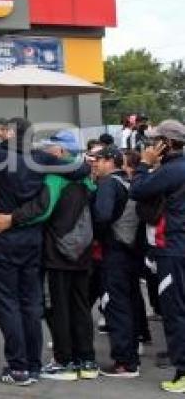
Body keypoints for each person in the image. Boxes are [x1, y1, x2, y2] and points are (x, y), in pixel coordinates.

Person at [0, 118, 90, 386]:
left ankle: (18, 367)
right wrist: (56, 162)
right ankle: (32, 363)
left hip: (4, 237)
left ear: (8, 133)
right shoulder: (41, 159)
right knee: (31, 303)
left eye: (3, 129)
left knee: (7, 303)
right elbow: (82, 169)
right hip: (33, 238)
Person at [35, 133, 98, 381]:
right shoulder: (88, 180)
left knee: (57, 307)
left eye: (47, 149)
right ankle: (87, 361)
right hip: (82, 252)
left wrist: (14, 219)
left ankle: (64, 362)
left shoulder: (54, 178)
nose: (44, 154)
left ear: (60, 152)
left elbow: (42, 212)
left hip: (57, 253)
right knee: (81, 306)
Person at [129, 120, 185, 393]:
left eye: (155, 141)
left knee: (175, 313)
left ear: (168, 144)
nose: (150, 146)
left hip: (173, 249)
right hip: (176, 246)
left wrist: (143, 164)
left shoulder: (173, 169)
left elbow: (136, 190)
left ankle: (183, 372)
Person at [90, 145, 142, 378]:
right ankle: (131, 355)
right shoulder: (129, 182)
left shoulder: (108, 184)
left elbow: (101, 215)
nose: (94, 163)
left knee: (115, 306)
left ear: (111, 161)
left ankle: (124, 362)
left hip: (113, 251)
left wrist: (95, 235)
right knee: (129, 303)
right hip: (131, 250)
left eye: (98, 159)